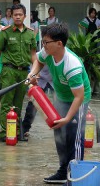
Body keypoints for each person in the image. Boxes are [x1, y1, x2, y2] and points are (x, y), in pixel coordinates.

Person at [27, 23, 91, 185]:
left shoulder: (72, 65)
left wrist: (68, 118)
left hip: (79, 100)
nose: (43, 45)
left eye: (46, 42)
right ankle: (63, 171)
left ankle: (74, 176)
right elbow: (39, 61)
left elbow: (79, 97)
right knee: (60, 134)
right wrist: (32, 73)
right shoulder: (48, 52)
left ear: (59, 43)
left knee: (75, 137)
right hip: (62, 97)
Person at [0, 3, 36, 142]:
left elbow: (33, 54)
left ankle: (15, 131)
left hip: (23, 73)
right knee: (6, 103)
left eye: (20, 14)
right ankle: (5, 133)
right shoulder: (6, 32)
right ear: (11, 16)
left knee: (19, 102)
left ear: (25, 16)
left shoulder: (30, 33)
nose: (18, 17)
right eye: (15, 14)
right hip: (8, 71)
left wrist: (34, 71)